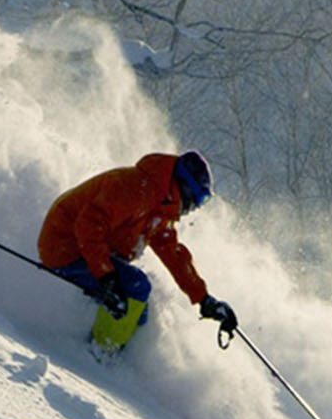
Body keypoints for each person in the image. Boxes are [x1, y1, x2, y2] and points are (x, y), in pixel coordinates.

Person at [36, 150, 238, 354]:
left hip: (87, 250)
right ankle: (99, 354)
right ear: (184, 188)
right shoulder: (134, 189)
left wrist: (203, 298)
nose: (193, 209)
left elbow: (173, 253)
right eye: (198, 200)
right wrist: (106, 276)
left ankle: (122, 358)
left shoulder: (160, 204)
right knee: (136, 286)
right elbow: (88, 225)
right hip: (63, 247)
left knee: (139, 311)